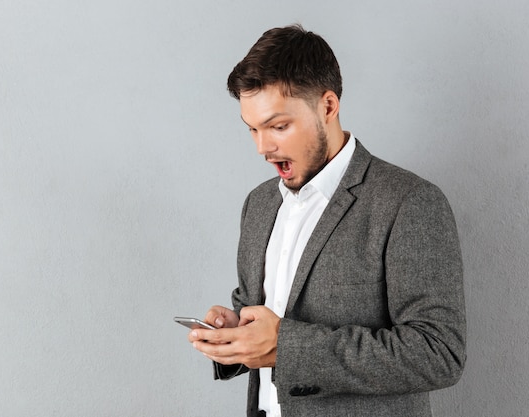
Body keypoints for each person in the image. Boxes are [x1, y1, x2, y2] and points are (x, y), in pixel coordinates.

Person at [187, 24, 466, 417]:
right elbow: (262, 315)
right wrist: (234, 332)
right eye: (252, 129)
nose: (263, 147)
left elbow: (439, 352)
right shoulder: (259, 204)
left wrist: (286, 346)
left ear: (328, 106)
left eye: (278, 126)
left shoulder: (408, 202)